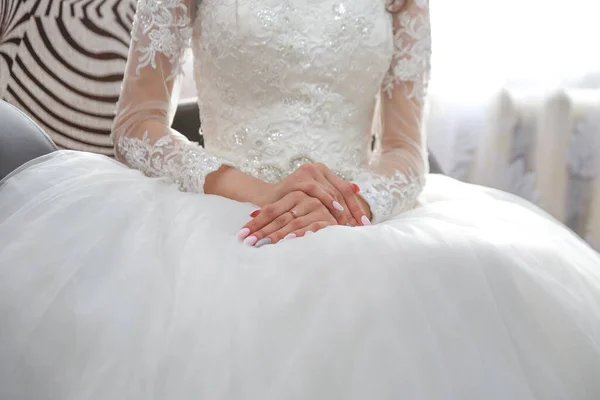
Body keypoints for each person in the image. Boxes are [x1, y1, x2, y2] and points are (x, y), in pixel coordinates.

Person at [1, 0, 599, 398]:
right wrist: (262, 194)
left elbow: (403, 151)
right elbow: (136, 125)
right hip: (225, 209)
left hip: (355, 215)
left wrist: (352, 204)